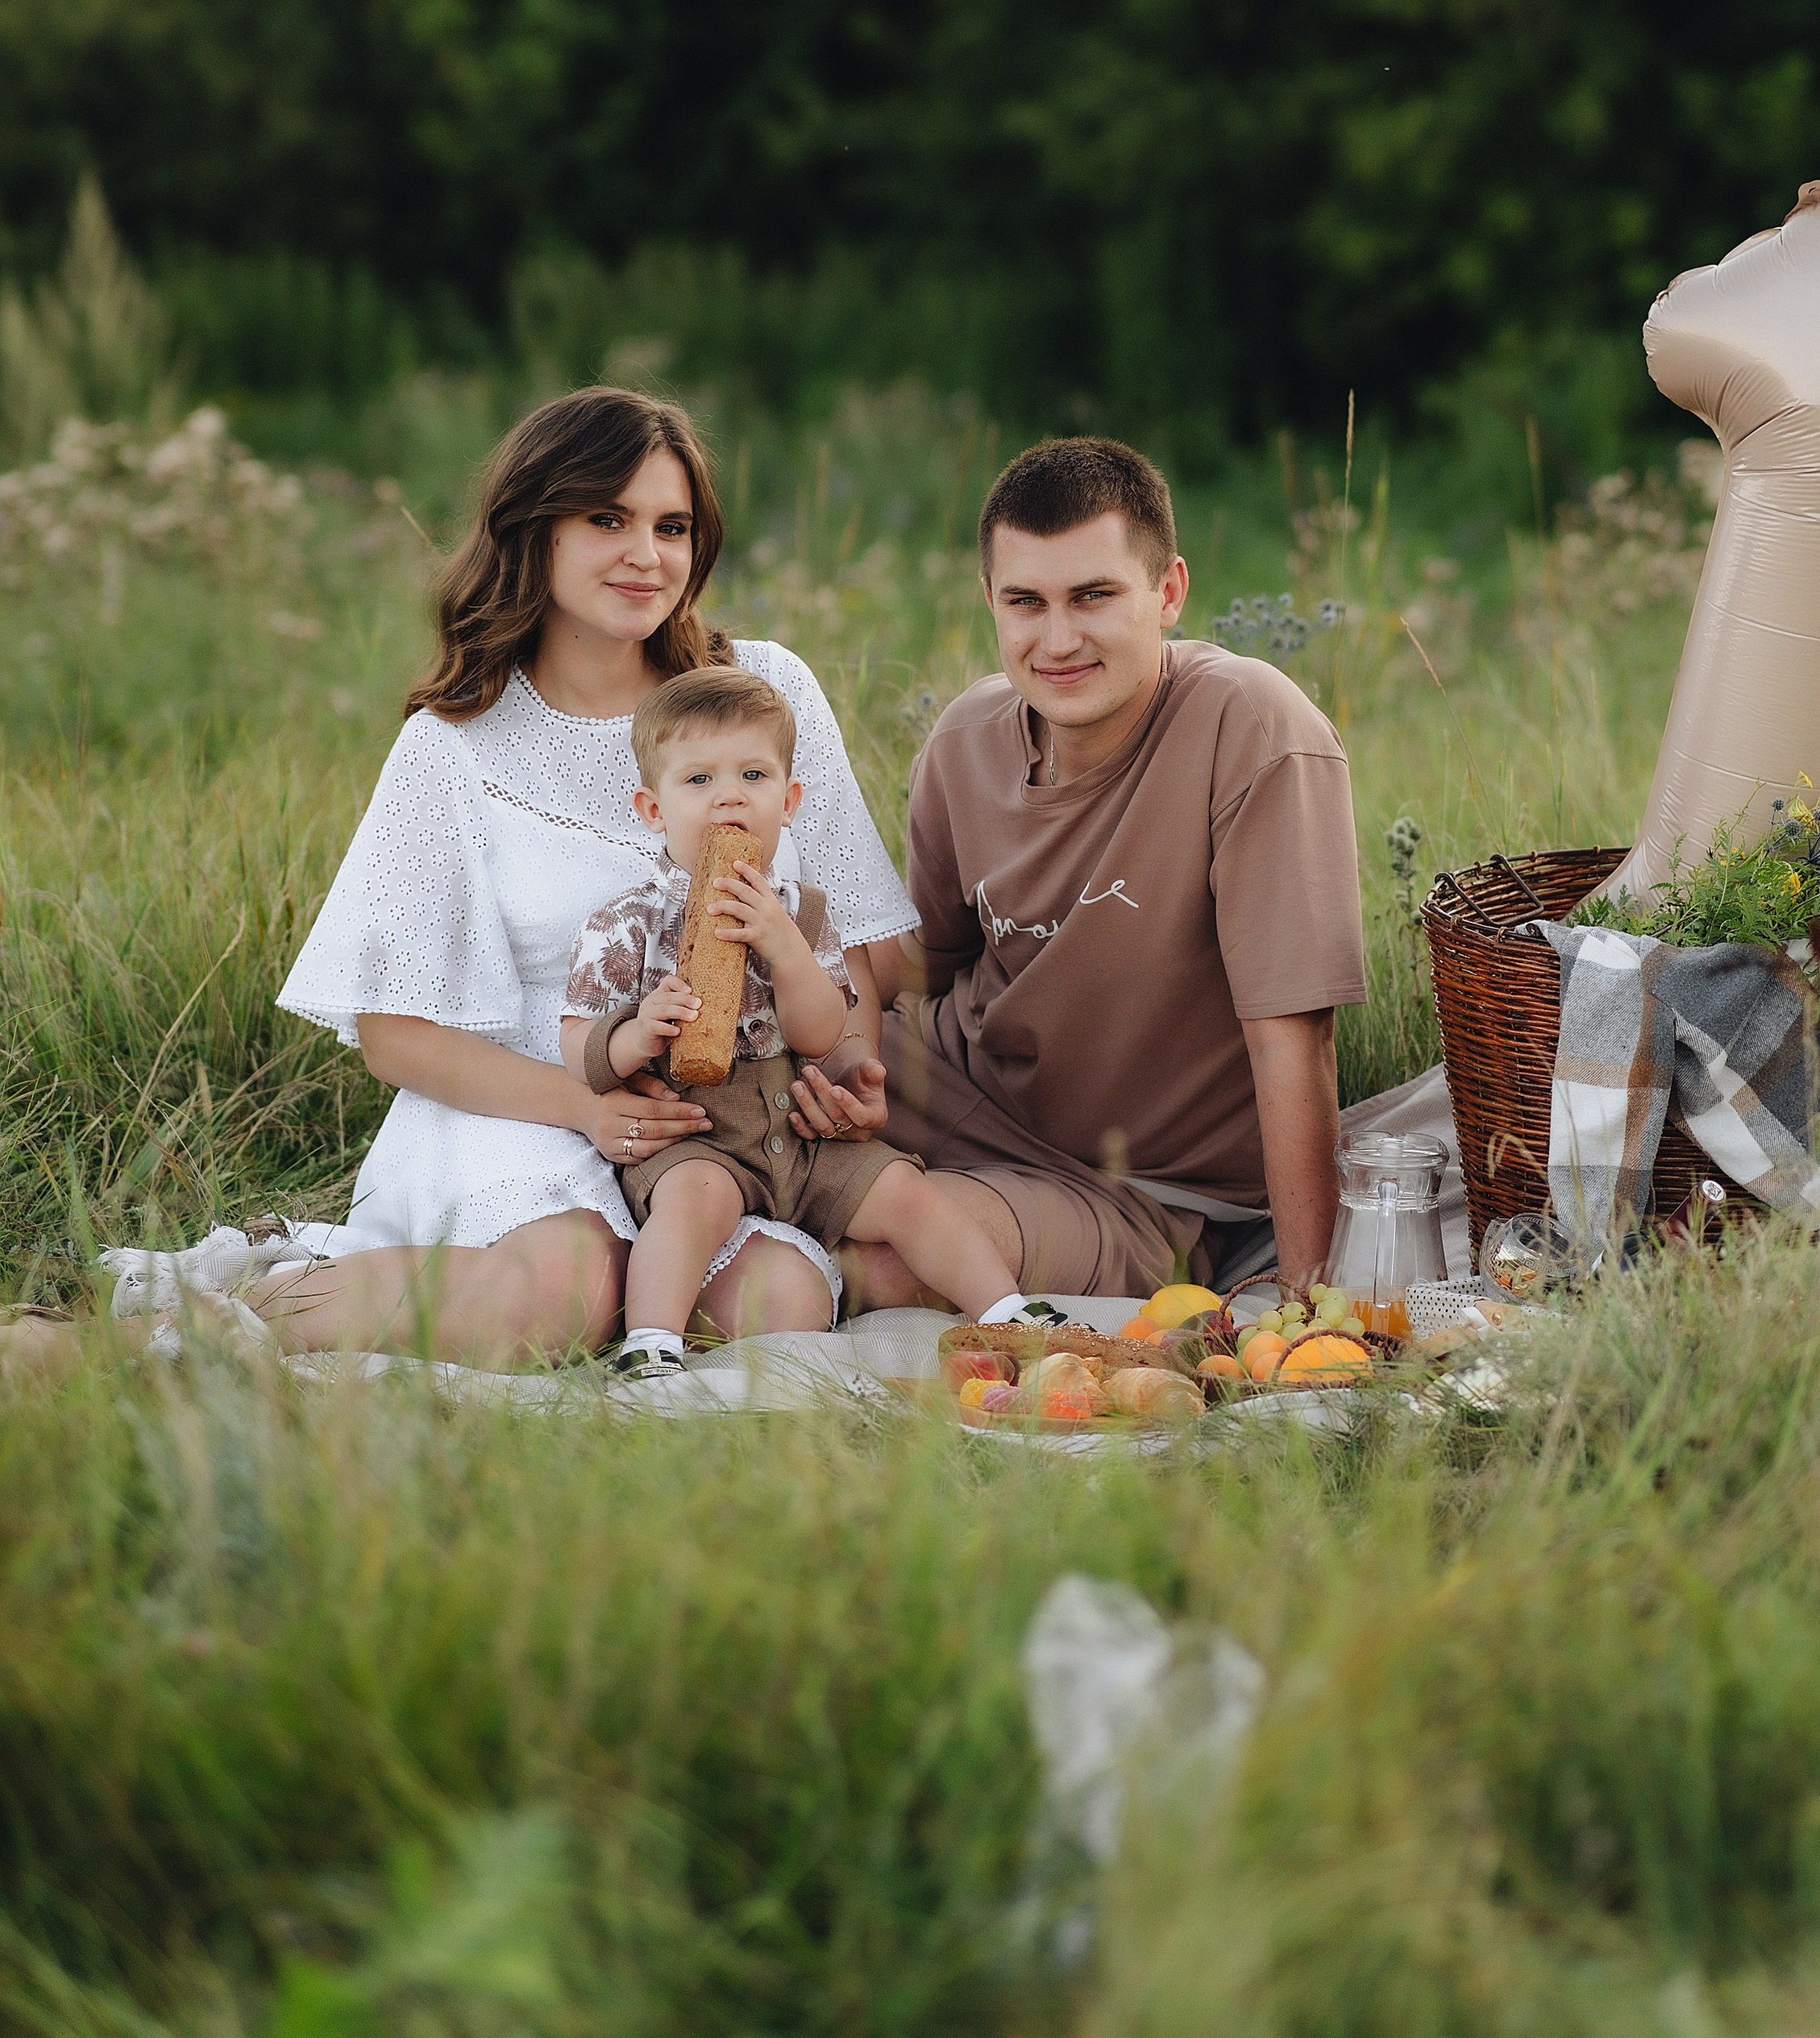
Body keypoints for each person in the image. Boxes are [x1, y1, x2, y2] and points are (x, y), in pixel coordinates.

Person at [93, 388, 918, 1372]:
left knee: (776, 1302)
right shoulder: (452, 744)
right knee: (562, 1294)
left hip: (723, 1114)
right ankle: (159, 1339)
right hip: (522, 1098)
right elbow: (395, 1033)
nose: (645, 554)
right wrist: (588, 1109)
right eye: (605, 519)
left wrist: (846, 1070)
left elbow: (865, 941)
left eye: (671, 525)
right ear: (534, 529)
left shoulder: (763, 691)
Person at [838, 436, 1365, 1310]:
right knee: (711, 1111)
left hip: (1142, 1191)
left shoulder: (1253, 729)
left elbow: (1292, 1041)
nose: (1057, 639)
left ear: (1168, 593)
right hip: (952, 1091)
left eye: (1092, 596)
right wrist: (791, 965)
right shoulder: (965, 741)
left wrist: (1306, 1301)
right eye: (1025, 602)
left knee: (891, 1262)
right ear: (990, 603)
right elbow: (921, 962)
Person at [563, 666, 1029, 1375]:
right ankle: (650, 1344)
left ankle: (1009, 1312)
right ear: (652, 809)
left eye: (753, 775)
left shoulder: (804, 913)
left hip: (801, 1137)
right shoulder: (630, 923)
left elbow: (821, 1034)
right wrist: (636, 1034)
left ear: (789, 802)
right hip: (699, 1137)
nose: (728, 795)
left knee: (905, 1190)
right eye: (697, 781)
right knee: (690, 1204)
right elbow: (578, 1044)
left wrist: (785, 950)